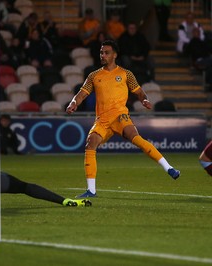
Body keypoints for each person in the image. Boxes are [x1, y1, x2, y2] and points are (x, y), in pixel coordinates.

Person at [65, 39, 180, 198]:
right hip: (102, 120)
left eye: (106, 52)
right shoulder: (94, 76)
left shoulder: (126, 74)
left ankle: (169, 168)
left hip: (120, 115)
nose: (103, 55)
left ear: (115, 55)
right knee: (90, 143)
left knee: (136, 139)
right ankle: (91, 190)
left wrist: (144, 100)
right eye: (101, 52)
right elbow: (81, 94)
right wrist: (73, 103)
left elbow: (139, 92)